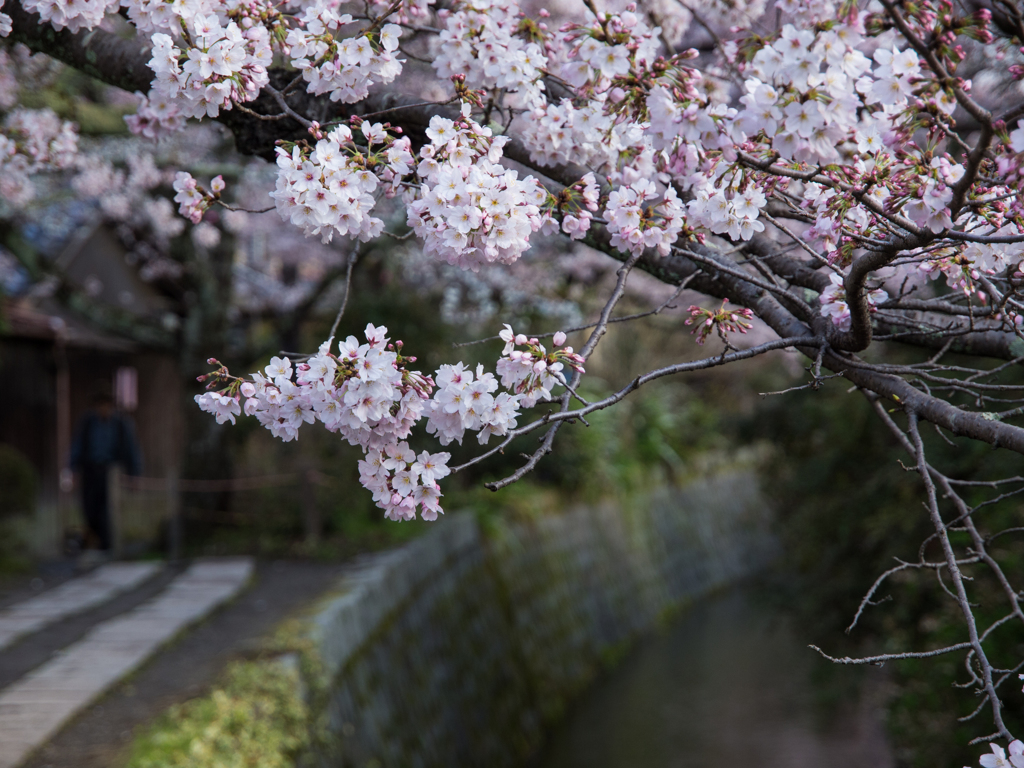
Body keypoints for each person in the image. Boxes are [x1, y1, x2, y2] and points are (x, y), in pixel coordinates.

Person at [68, 384, 142, 553]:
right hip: (90, 471)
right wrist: (72, 469)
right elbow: (77, 446)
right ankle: (96, 541)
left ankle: (107, 545)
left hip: (110, 472)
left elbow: (131, 449)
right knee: (90, 509)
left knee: (107, 510)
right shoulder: (87, 423)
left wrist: (134, 473)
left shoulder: (121, 424)